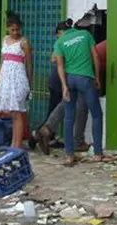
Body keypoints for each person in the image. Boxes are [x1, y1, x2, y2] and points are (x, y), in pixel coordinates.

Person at [32, 19, 89, 155]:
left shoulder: (64, 41)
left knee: (64, 106)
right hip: (64, 80)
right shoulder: (69, 40)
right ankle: (72, 140)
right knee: (75, 107)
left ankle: (44, 132)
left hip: (63, 79)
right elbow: (54, 59)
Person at [54, 15, 105, 166]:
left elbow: (60, 66)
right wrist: (97, 77)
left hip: (70, 80)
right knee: (96, 114)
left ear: (61, 32)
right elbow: (95, 56)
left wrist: (64, 86)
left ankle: (69, 155)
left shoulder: (60, 42)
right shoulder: (85, 35)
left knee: (69, 117)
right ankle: (97, 153)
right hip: (86, 79)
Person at [0, 12, 33, 149]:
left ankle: (16, 145)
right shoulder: (4, 40)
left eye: (17, 30)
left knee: (17, 112)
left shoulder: (24, 42)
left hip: (18, 79)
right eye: (12, 30)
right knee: (12, 113)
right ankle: (14, 143)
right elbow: (2, 64)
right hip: (5, 80)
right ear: (7, 29)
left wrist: (30, 85)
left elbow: (29, 65)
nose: (15, 32)